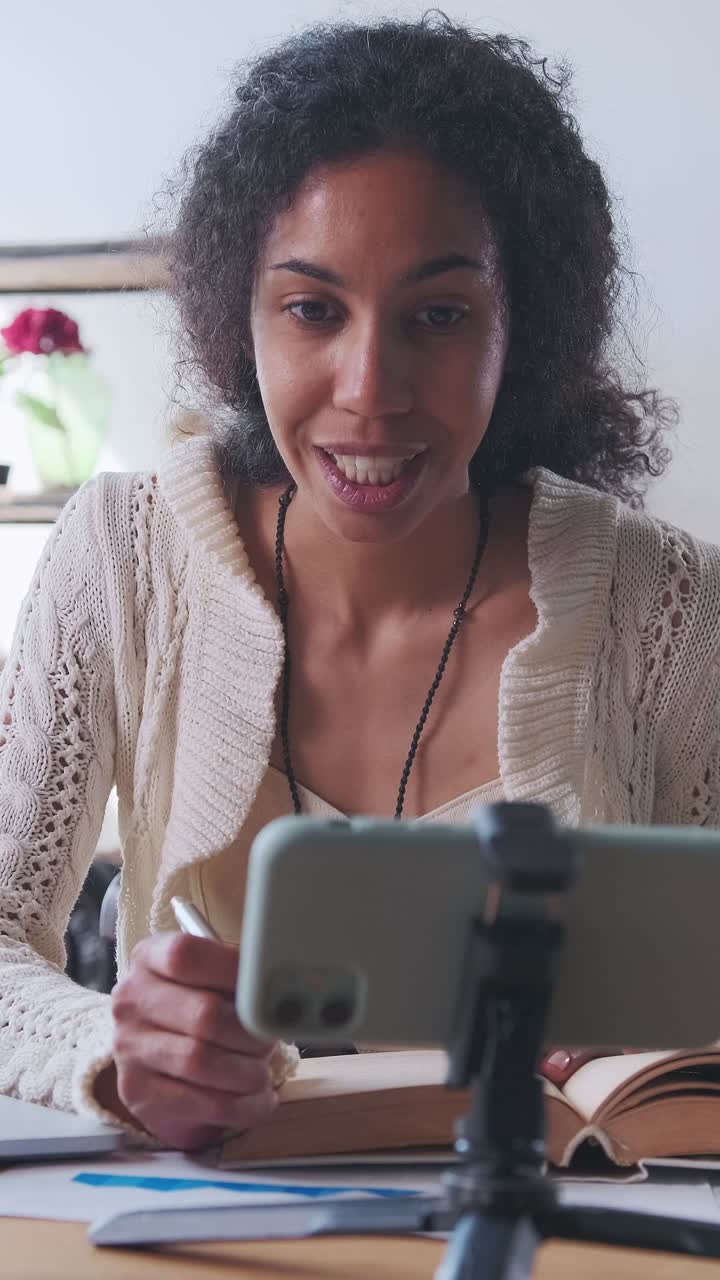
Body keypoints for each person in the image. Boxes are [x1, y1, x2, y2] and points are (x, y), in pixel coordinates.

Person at [0, 15, 718, 1152]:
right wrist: (110, 1045)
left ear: (519, 327)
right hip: (207, 1239)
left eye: (439, 313)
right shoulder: (121, 556)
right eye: (312, 308)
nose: (369, 388)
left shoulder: (665, 605)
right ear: (239, 319)